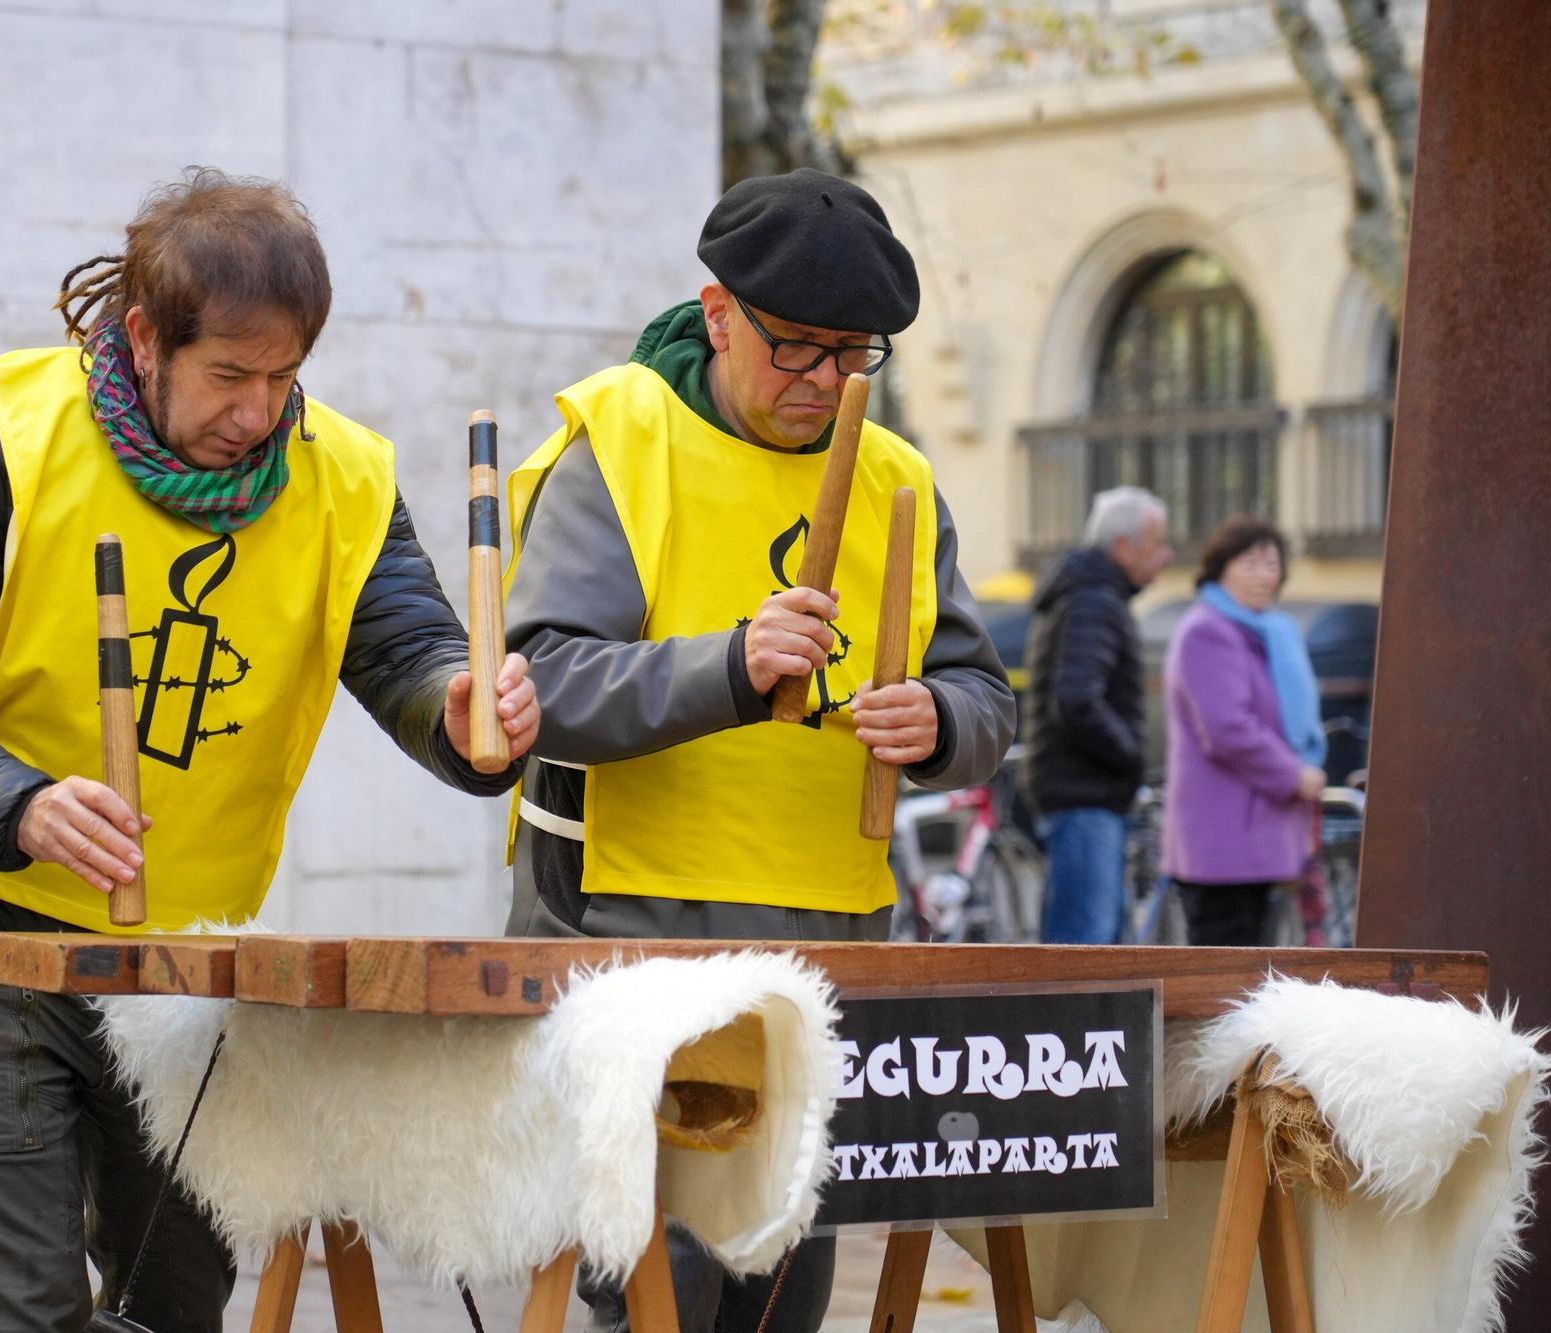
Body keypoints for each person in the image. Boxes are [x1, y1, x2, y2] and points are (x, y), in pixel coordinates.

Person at [0, 169, 540, 1333]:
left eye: (283, 378)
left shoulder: (342, 474)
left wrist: (461, 716)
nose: (257, 413)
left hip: (189, 949)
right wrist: (21, 801)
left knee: (177, 1296)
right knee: (17, 1302)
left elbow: (410, 654)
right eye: (228, 377)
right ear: (144, 339)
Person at [500, 167, 1017, 1333]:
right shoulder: (620, 441)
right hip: (632, 940)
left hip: (826, 943)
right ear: (718, 310)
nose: (829, 382)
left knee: (782, 1300)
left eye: (855, 354)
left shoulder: (899, 479)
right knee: (658, 1304)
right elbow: (537, 689)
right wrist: (729, 666)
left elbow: (984, 694)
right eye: (798, 348)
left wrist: (938, 724)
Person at [1162, 516, 1327, 946]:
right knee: (1225, 982)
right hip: (1223, 844)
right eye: (1250, 563)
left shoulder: (1270, 633)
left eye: (1272, 565)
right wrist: (1293, 775)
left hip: (1254, 838)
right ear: (1221, 568)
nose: (1264, 575)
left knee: (1251, 977)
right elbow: (1227, 728)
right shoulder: (1208, 632)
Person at [1022, 486, 1173, 944]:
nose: (1166, 557)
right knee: (1084, 949)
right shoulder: (1093, 601)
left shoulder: (1090, 595)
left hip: (1082, 794)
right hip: (1084, 796)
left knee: (1092, 941)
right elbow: (1076, 701)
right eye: (1157, 544)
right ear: (1123, 547)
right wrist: (1130, 755)